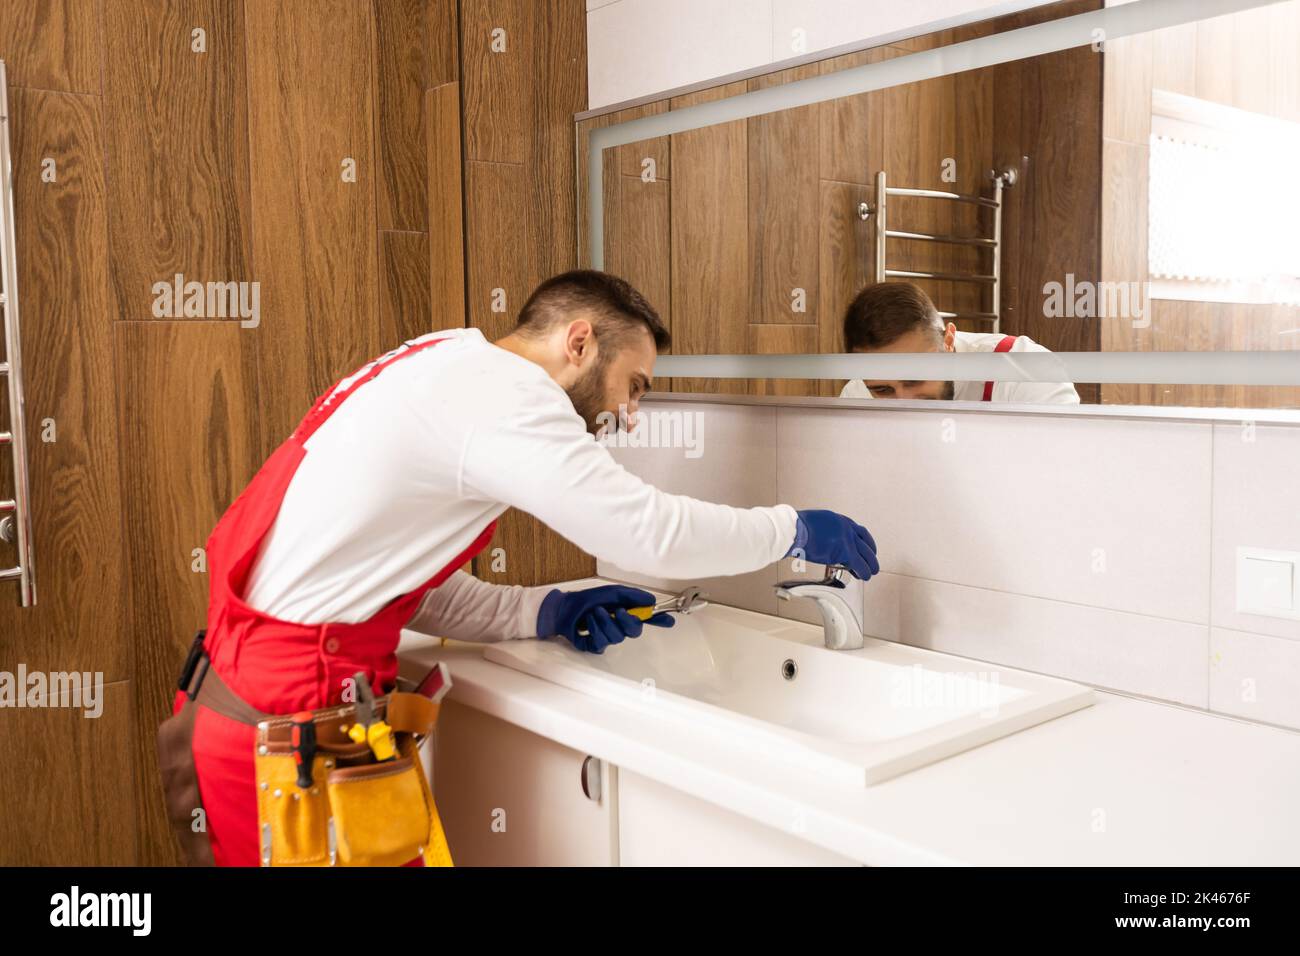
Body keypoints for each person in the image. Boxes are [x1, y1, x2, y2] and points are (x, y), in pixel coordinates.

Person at [167, 269, 878, 866]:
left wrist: (543, 611)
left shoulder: (445, 359)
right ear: (580, 343)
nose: (630, 415)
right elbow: (652, 533)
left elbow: (404, 591)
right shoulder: (509, 397)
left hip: (240, 704)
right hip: (293, 723)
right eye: (634, 386)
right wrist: (793, 528)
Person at [838, 282, 1080, 404]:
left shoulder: (1028, 372)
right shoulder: (857, 394)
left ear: (948, 341)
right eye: (882, 390)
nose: (903, 403)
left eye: (914, 378)